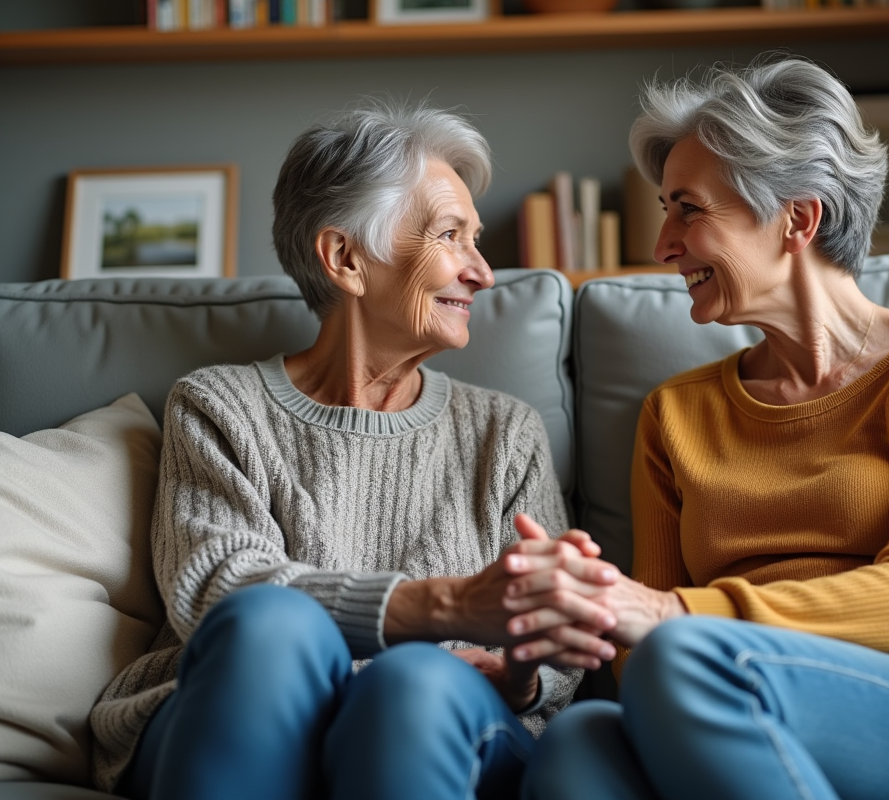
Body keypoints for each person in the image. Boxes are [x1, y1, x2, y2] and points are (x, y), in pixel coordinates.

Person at [517, 57, 889, 800]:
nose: (663, 246)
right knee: (578, 741)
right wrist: (608, 612)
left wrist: (677, 615)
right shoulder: (676, 415)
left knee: (685, 657)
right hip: (727, 687)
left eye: (688, 209)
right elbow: (636, 660)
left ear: (797, 218)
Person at [88, 100, 620, 800]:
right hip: (242, 713)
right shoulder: (220, 407)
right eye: (452, 236)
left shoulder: (505, 433)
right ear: (345, 259)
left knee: (416, 683)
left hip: (436, 723)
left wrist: (521, 672)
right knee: (269, 624)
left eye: (475, 239)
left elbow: (554, 658)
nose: (483, 272)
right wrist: (447, 605)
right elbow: (218, 593)